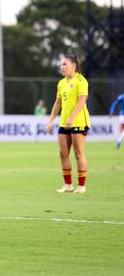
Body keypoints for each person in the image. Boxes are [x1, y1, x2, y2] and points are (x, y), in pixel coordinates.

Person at [46, 54, 90, 194]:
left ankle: (81, 186)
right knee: (63, 152)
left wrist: (72, 117)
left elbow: (82, 100)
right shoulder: (61, 83)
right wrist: (51, 120)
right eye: (61, 64)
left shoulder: (81, 80)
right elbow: (57, 103)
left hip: (79, 121)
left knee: (78, 153)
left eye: (64, 64)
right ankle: (68, 185)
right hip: (64, 122)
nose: (61, 67)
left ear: (73, 66)